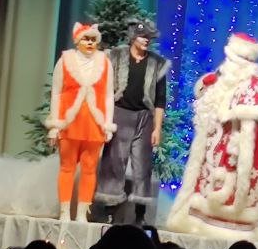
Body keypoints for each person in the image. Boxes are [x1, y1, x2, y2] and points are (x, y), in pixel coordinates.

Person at [167, 32, 258, 240]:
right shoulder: (219, 80)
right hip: (213, 148)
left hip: (233, 152)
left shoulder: (254, 86)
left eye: (234, 59)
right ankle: (199, 222)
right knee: (207, 186)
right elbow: (203, 94)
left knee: (233, 188)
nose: (229, 64)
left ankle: (235, 228)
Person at [96, 20, 171, 225]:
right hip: (120, 114)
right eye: (142, 36)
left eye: (149, 37)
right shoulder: (116, 56)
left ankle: (140, 215)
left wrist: (157, 128)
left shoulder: (157, 64)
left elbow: (160, 99)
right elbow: (102, 88)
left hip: (144, 117)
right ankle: (110, 210)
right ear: (133, 37)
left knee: (142, 165)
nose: (146, 40)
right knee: (114, 162)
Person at [45, 23, 115, 221]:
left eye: (93, 39)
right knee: (67, 167)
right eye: (86, 39)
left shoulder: (105, 63)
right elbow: (56, 93)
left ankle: (82, 212)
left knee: (89, 168)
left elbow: (108, 95)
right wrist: (55, 125)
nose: (90, 43)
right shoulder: (65, 61)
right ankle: (64, 211)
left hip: (94, 124)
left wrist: (108, 124)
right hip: (69, 124)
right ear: (77, 40)